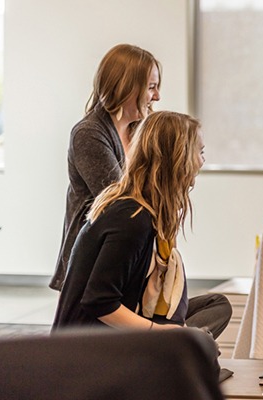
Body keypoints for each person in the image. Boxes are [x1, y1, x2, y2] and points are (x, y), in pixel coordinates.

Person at [52, 111, 228, 336]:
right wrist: (160, 333)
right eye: (199, 152)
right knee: (192, 336)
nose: (202, 161)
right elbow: (100, 302)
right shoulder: (132, 218)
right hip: (90, 346)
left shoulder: (141, 210)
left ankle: (184, 344)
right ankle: (182, 346)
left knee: (216, 304)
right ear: (178, 157)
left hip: (122, 320)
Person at [51, 44, 162, 291]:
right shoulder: (89, 133)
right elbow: (121, 201)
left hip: (128, 254)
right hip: (93, 261)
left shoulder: (142, 130)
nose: (157, 97)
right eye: (151, 87)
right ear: (127, 87)